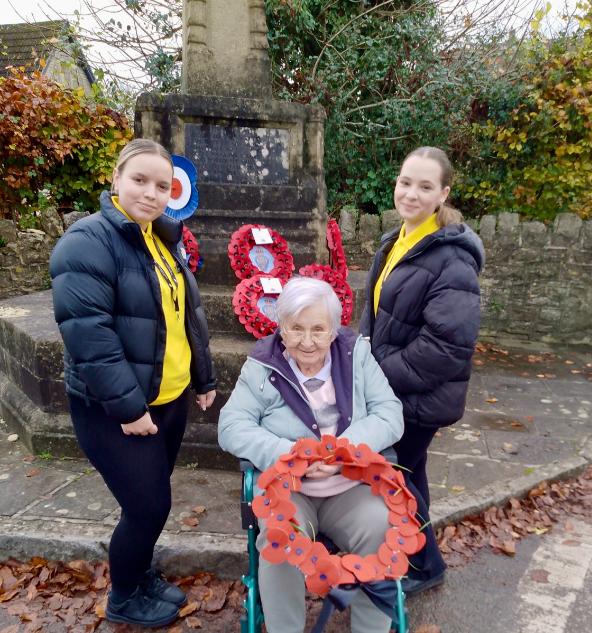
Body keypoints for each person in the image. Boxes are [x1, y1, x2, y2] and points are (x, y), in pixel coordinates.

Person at [49, 139, 217, 628]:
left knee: (151, 500)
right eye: (140, 180)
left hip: (167, 400)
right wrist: (128, 409)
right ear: (116, 180)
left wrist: (202, 378)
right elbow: (89, 335)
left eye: (162, 185)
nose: (151, 192)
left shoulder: (162, 239)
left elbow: (187, 316)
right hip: (116, 409)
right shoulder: (87, 241)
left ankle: (140, 574)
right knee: (148, 506)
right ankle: (124, 595)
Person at [218, 277, 405, 633]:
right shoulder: (263, 365)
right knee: (279, 535)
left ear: (334, 329)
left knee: (382, 526)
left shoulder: (357, 357)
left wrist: (343, 451)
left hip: (351, 484)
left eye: (318, 329)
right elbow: (231, 425)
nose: (307, 341)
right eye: (296, 329)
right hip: (289, 488)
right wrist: (290, 454)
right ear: (282, 329)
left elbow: (389, 413)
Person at [360, 146, 484, 594]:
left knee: (394, 482)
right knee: (410, 479)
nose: (410, 193)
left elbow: (446, 347)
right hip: (393, 390)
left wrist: (377, 372)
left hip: (418, 397)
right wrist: (360, 357)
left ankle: (418, 565)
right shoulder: (395, 241)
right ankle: (424, 564)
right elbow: (374, 316)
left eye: (425, 186)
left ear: (443, 193)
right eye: (405, 182)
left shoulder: (453, 259)